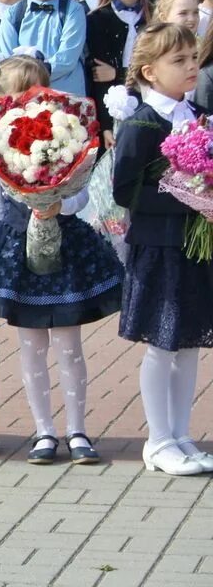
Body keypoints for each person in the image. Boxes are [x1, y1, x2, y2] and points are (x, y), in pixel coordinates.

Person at [0, 55, 121, 464]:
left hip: (63, 245)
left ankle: (77, 429)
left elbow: (81, 189)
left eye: (34, 90)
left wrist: (57, 203)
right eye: (15, 92)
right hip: (17, 250)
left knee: (68, 343)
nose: (25, 99)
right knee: (30, 346)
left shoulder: (67, 134)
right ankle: (44, 431)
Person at [113, 23, 213, 475]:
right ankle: (157, 439)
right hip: (158, 247)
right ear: (150, 72)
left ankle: (181, 432)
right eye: (179, 61)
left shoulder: (200, 114)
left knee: (189, 342)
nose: (191, 66)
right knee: (161, 342)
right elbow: (125, 190)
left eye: (194, 58)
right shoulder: (142, 122)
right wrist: (189, 196)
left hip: (195, 245)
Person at [0, 0, 88, 96]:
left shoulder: (73, 10)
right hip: (25, 98)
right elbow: (8, 61)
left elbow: (67, 59)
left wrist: (32, 76)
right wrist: (29, 83)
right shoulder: (13, 15)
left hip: (66, 99)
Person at [87, 0, 150, 142]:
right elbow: (98, 78)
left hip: (150, 106)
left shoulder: (155, 14)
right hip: (115, 111)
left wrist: (117, 73)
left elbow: (157, 70)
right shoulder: (98, 19)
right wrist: (105, 125)